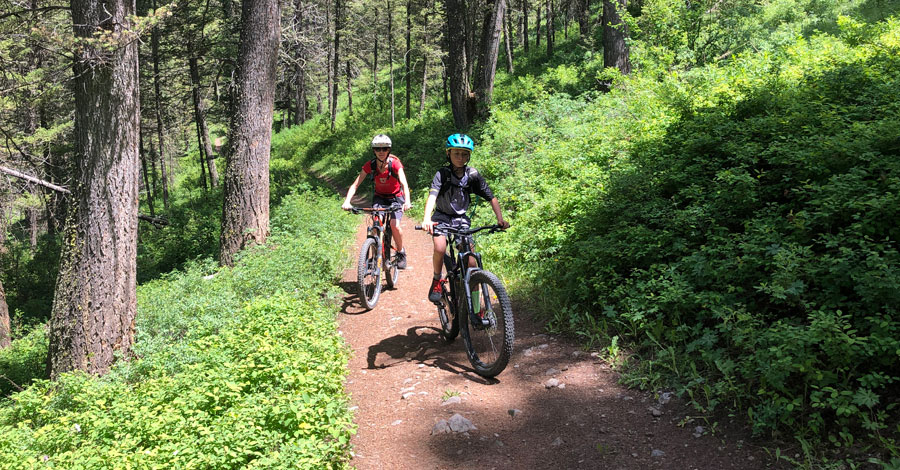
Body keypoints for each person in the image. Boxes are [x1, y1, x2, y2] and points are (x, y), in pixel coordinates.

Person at [421, 133, 510, 303]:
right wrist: (427, 219)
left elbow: (491, 197)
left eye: (464, 154)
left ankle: (476, 308)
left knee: (471, 263)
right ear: (449, 154)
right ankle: (437, 279)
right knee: (440, 247)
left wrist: (500, 219)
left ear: (469, 156)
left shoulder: (472, 175)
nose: (460, 158)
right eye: (456, 153)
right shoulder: (443, 174)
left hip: (461, 219)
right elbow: (432, 196)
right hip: (441, 216)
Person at [343, 134, 412, 269]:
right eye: (378, 149)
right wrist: (347, 201)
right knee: (375, 226)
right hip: (380, 197)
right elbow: (355, 184)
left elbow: (404, 183)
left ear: (389, 150)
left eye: (384, 149)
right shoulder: (371, 165)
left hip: (396, 197)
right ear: (374, 151)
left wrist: (407, 201)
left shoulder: (395, 164)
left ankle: (400, 252)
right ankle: (375, 257)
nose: (381, 152)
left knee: (394, 225)